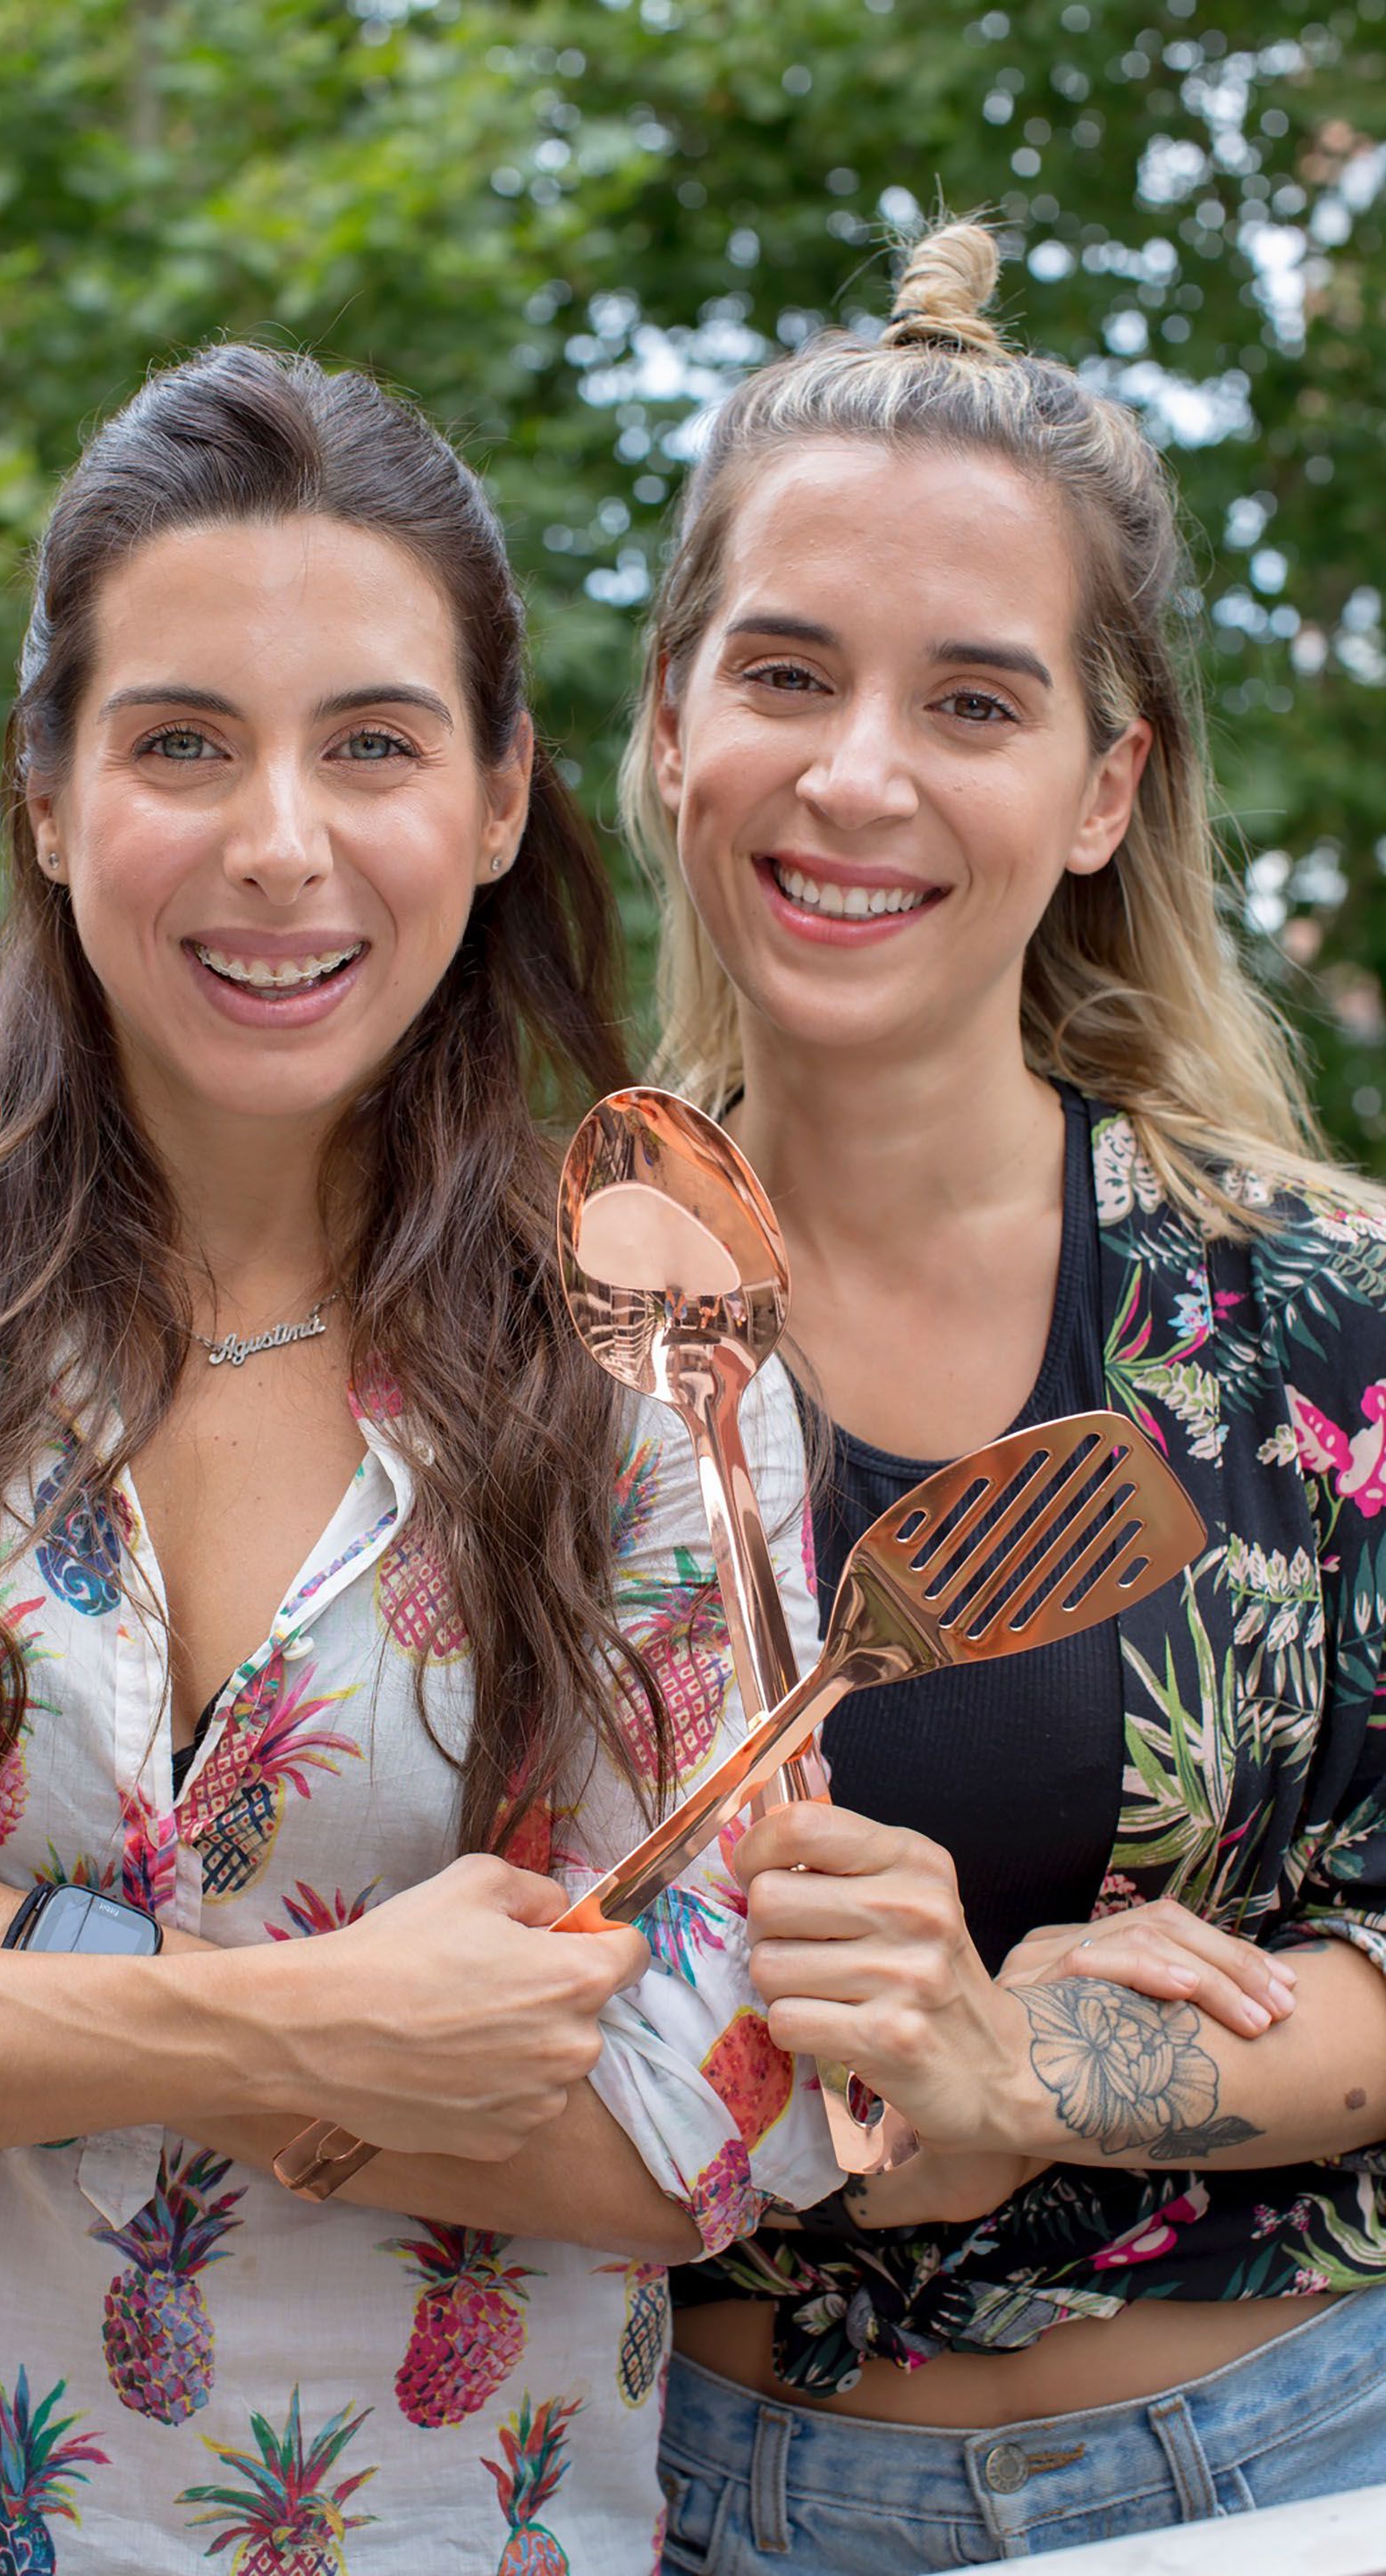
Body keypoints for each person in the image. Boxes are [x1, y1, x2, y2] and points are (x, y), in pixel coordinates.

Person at [0, 344, 841, 2572]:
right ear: (46, 792)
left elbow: (697, 2121)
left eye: (372, 743)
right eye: (181, 742)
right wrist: (297, 2021)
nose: (278, 842)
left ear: (498, 797)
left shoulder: (651, 1366)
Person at [621, 216, 1386, 2569]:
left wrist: (1036, 2066)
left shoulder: (1322, 1319)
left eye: (972, 703)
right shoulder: (499, 1337)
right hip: (679, 2499)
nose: (857, 776)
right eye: (786, 674)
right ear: (672, 728)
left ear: (1100, 785)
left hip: (1279, 2476)